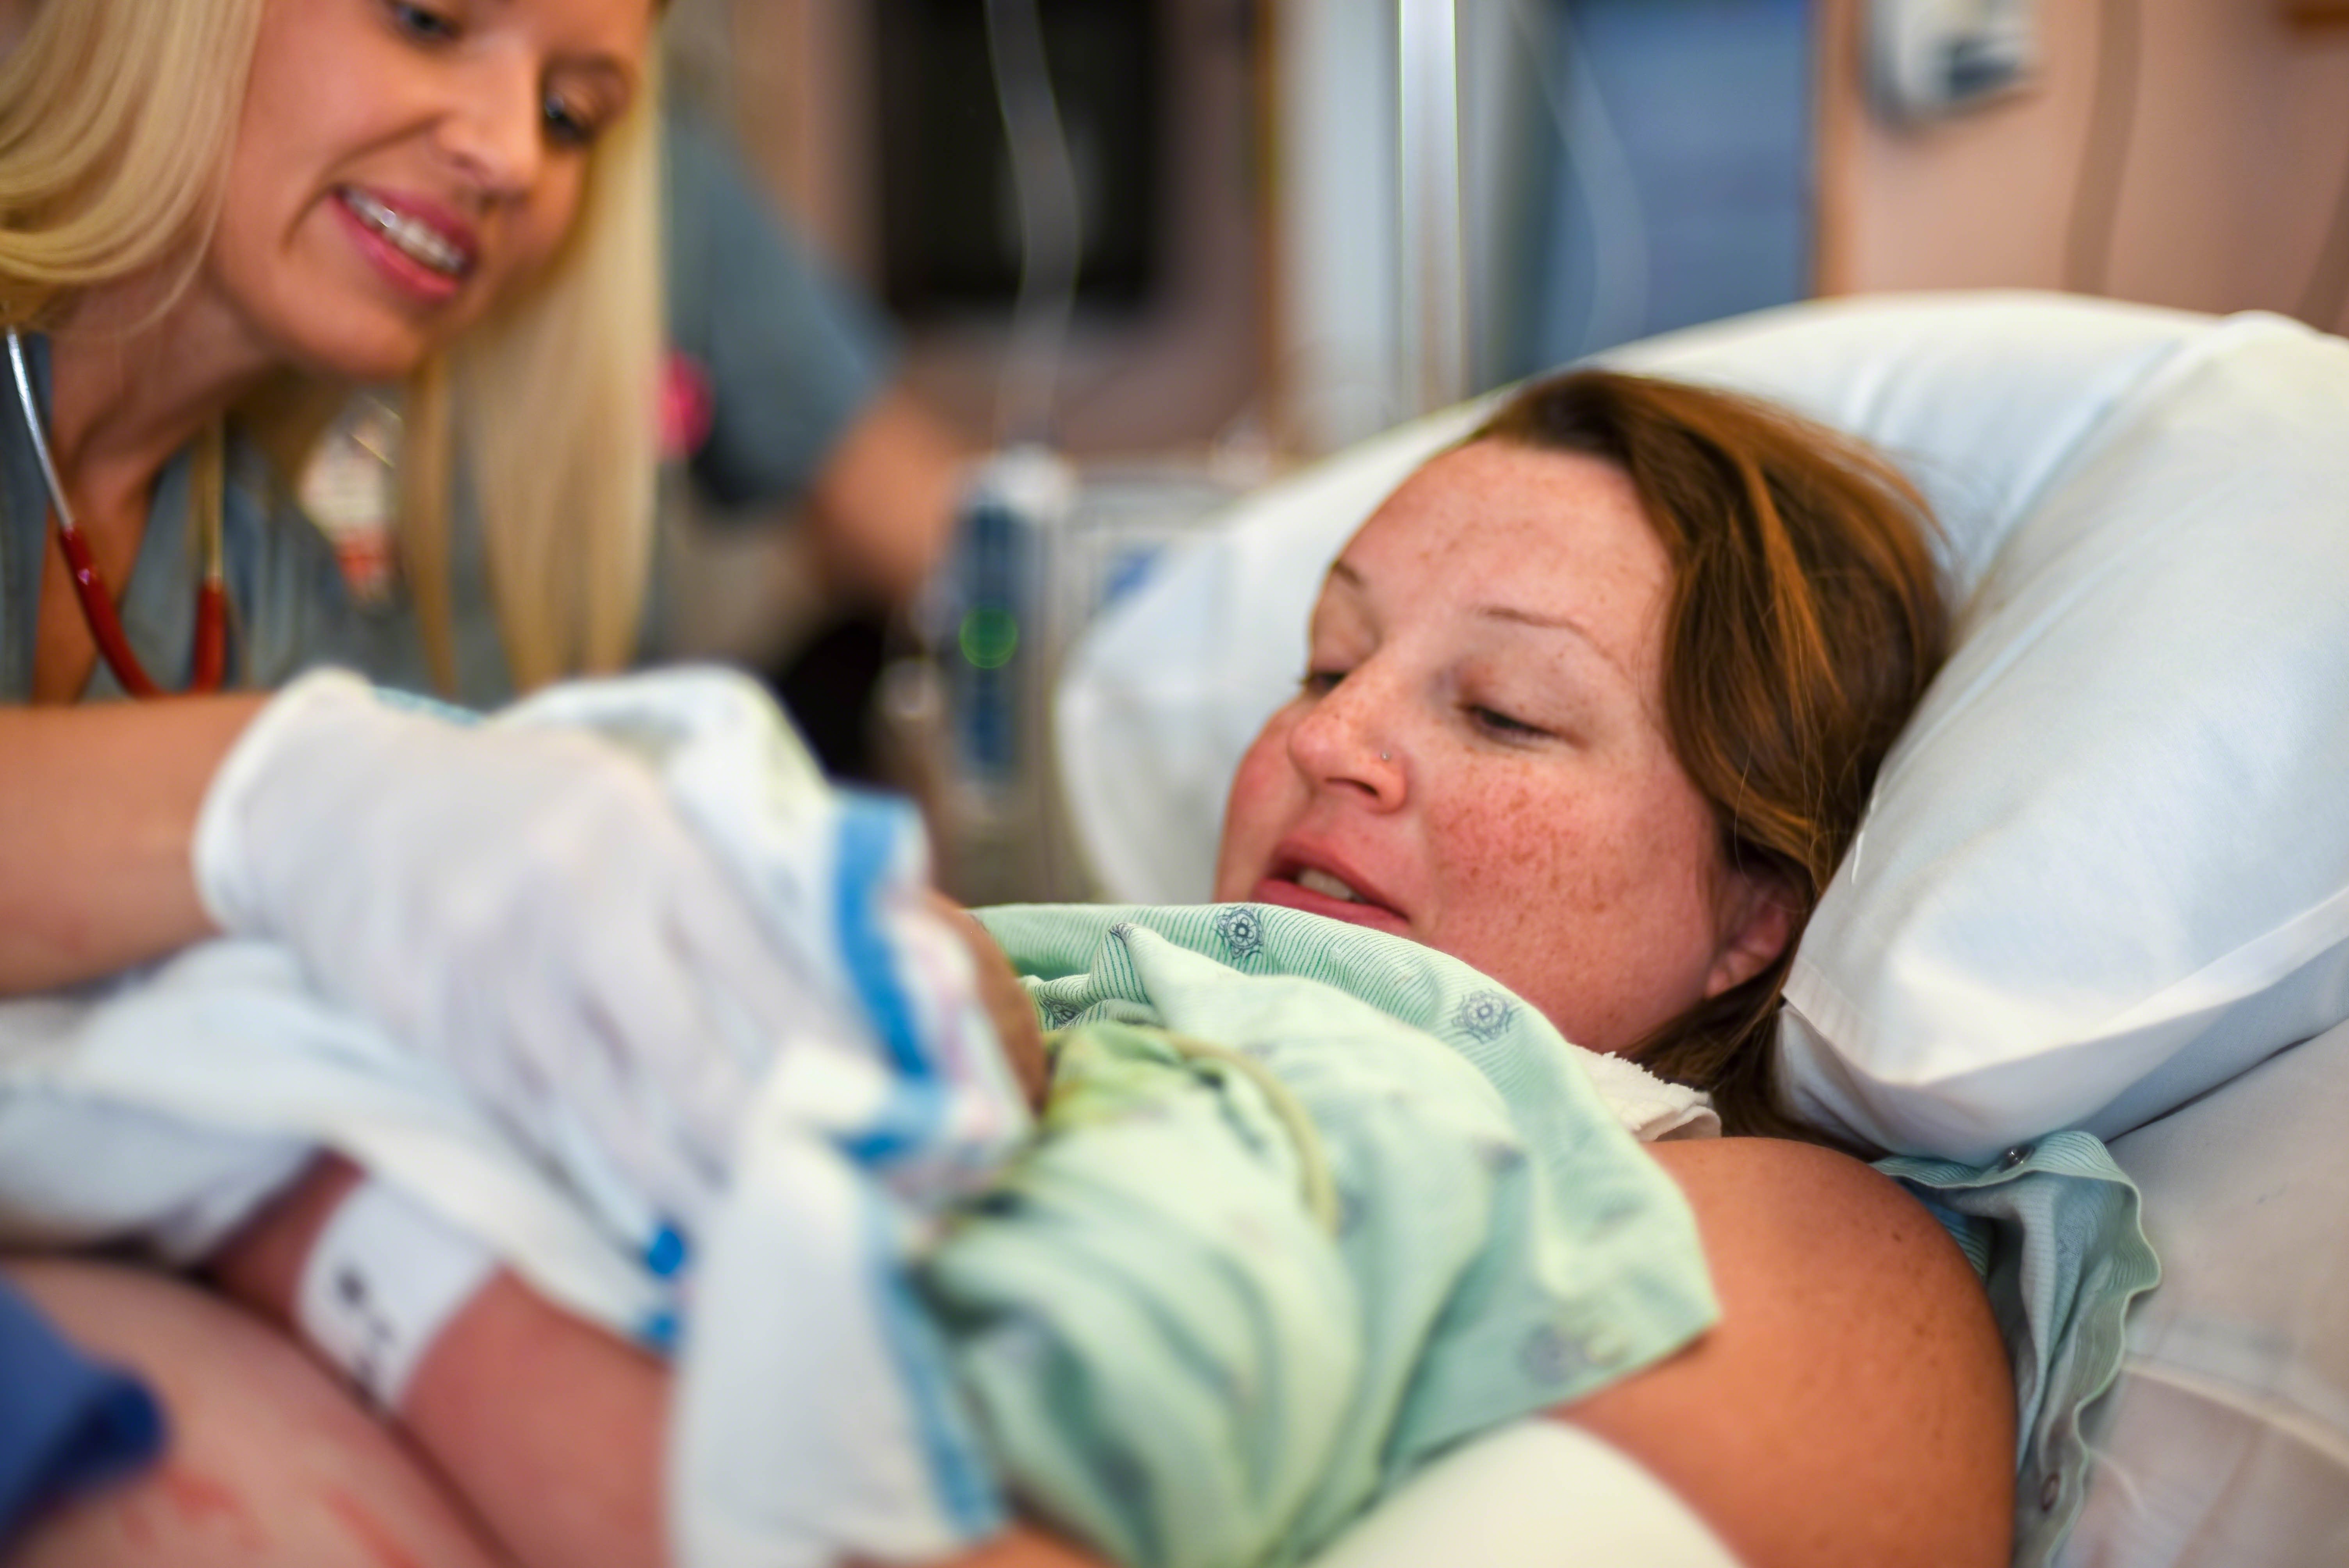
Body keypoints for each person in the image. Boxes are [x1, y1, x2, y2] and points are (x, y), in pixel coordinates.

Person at [12, 368, 2053, 1568]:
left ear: (1758, 910)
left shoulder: (1784, 1256)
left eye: (1507, 714)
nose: (1335, 740)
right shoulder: (1008, 981)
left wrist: (340, 1240)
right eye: (1326, 665)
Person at [0, 0, 1028, 1554]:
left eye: (572, 112)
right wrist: (292, 796)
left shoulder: (246, 559)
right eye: (428, 19)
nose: (501, 154)